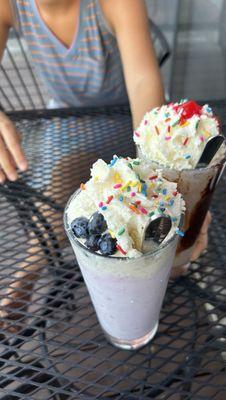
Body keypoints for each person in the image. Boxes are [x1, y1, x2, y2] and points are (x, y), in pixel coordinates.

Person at [0, 0, 211, 330]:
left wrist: (155, 176)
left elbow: (142, 81)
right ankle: (29, 271)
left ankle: (153, 279)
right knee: (60, 188)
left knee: (163, 230)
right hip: (68, 118)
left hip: (127, 116)